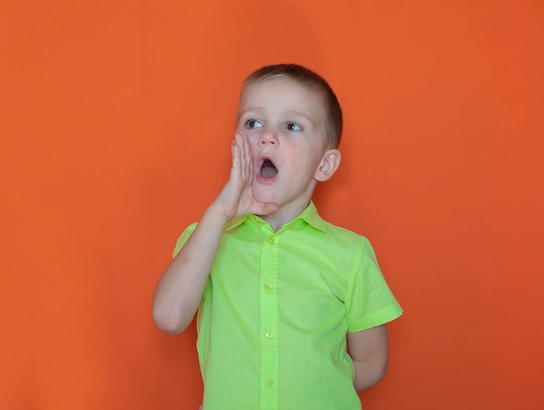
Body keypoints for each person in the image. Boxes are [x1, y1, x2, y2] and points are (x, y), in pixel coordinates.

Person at [153, 63, 402, 409]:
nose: (267, 136)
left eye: (291, 126)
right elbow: (168, 317)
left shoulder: (351, 254)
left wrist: (314, 389)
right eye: (253, 122)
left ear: (324, 165)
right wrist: (221, 212)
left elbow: (372, 364)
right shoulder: (206, 237)